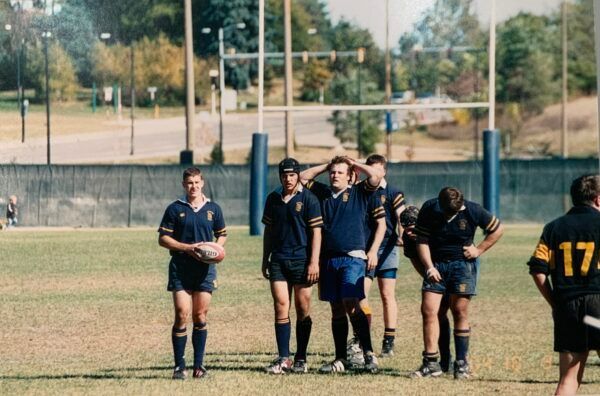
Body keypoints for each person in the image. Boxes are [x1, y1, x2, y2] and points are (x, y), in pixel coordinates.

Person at [299, 156, 386, 373]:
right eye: (333, 172)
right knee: (336, 309)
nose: (335, 175)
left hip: (353, 258)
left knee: (351, 301)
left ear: (350, 176)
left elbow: (376, 175)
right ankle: (341, 359)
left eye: (340, 172)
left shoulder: (359, 192)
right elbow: (302, 177)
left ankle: (368, 353)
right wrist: (327, 164)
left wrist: (355, 163)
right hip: (328, 259)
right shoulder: (322, 193)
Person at [411, 187, 503, 379]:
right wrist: (429, 267)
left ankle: (461, 364)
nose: (453, 214)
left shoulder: (472, 210)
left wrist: (478, 250)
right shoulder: (429, 208)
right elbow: (422, 239)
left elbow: (497, 229)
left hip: (462, 266)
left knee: (459, 310)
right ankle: (431, 363)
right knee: (429, 311)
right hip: (436, 265)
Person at [528, 174, 600, 395]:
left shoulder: (554, 228)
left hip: (568, 306)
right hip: (598, 304)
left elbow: (538, 270)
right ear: (598, 199)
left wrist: (555, 303)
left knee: (568, 379)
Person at [157, 167, 227, 380]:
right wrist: (188, 248)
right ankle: (179, 366)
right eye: (189, 183)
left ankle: (199, 366)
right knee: (181, 314)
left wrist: (214, 250)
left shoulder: (213, 209)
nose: (193, 186)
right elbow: (163, 239)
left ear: (202, 183)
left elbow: (222, 234)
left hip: (205, 270)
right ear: (183, 185)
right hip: (181, 267)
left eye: (197, 182)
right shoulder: (175, 208)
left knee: (200, 316)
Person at [261, 158, 323, 374]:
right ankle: (283, 358)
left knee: (302, 309)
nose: (288, 179)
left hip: (302, 261)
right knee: (280, 306)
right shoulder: (272, 199)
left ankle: (301, 357)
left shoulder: (309, 199)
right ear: (280, 176)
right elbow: (268, 231)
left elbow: (316, 233)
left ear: (298, 176)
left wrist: (314, 262)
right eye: (284, 175)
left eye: (292, 175)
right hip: (278, 259)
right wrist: (265, 258)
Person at [350, 154, 406, 358]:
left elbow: (401, 214)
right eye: (369, 169)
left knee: (387, 294)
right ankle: (360, 338)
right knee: (360, 294)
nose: (372, 173)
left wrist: (402, 234)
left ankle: (388, 340)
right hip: (366, 250)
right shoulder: (362, 191)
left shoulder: (393, 192)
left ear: (384, 171)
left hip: (388, 249)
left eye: (376, 169)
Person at [401, 205, 453, 373]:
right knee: (436, 313)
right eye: (405, 229)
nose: (409, 232)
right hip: (432, 274)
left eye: (412, 229)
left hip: (448, 268)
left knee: (445, 313)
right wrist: (429, 277)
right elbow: (416, 261)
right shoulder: (408, 238)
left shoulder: (432, 232)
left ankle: (449, 360)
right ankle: (441, 361)